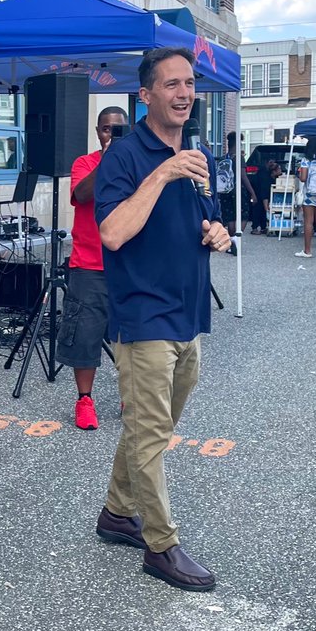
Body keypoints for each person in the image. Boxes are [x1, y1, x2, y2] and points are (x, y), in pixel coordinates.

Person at [93, 46, 231, 593]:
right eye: (171, 84)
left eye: (189, 83)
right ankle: (161, 545)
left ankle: (115, 512)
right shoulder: (124, 157)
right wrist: (164, 172)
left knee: (155, 428)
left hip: (188, 312)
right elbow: (113, 232)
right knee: (151, 435)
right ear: (145, 95)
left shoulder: (203, 156)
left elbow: (210, 219)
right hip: (143, 314)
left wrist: (218, 234)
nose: (184, 93)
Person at [57, 106, 128, 432]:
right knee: (84, 336)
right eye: (105, 129)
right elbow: (81, 194)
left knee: (130, 338)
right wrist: (110, 161)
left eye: (118, 129)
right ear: (98, 132)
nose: (110, 134)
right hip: (89, 264)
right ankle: (85, 400)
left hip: (128, 264)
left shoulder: (137, 165)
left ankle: (131, 394)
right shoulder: (85, 163)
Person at [216, 132, 255, 237]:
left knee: (230, 216)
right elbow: (243, 176)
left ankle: (231, 239)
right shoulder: (239, 158)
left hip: (225, 190)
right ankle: (237, 239)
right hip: (238, 190)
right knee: (244, 215)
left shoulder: (223, 158)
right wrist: (252, 193)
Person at [249, 158, 277, 235]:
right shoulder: (262, 173)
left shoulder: (268, 172)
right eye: (271, 162)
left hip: (263, 193)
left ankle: (263, 227)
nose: (272, 164)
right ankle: (254, 228)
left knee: (262, 212)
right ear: (266, 163)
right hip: (258, 192)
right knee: (257, 210)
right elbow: (262, 186)